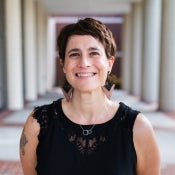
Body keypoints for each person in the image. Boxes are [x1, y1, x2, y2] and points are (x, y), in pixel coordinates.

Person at [20, 17, 160, 175]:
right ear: (63, 64)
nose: (84, 63)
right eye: (74, 54)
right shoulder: (37, 123)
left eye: (94, 53)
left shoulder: (138, 127)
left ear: (110, 63)